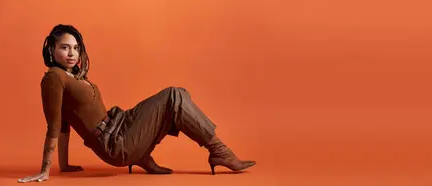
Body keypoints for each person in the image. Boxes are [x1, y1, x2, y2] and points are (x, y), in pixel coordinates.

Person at [18, 24, 256, 183]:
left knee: (179, 95)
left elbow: (66, 126)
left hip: (119, 124)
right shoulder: (54, 78)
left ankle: (143, 155)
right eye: (64, 47)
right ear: (51, 48)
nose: (72, 53)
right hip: (114, 144)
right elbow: (56, 125)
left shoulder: (71, 77)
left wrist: (66, 165)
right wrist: (46, 169)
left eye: (76, 48)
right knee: (174, 96)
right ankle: (219, 151)